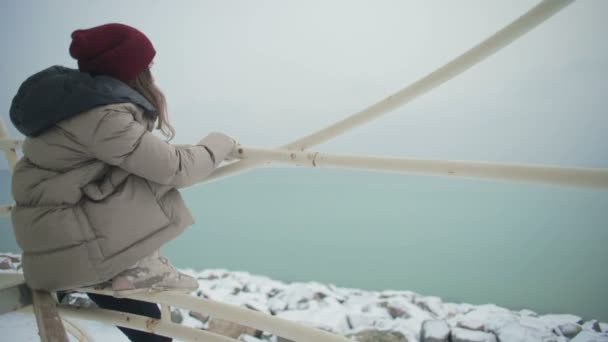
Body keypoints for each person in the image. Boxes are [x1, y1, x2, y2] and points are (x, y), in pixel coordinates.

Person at [9, 23, 238, 341]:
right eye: (148, 65)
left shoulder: (76, 108)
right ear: (132, 70)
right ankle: (139, 267)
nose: (152, 72)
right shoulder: (102, 116)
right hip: (72, 253)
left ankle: (136, 267)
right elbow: (175, 168)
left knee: (151, 327)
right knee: (148, 174)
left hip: (57, 244)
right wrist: (219, 143)